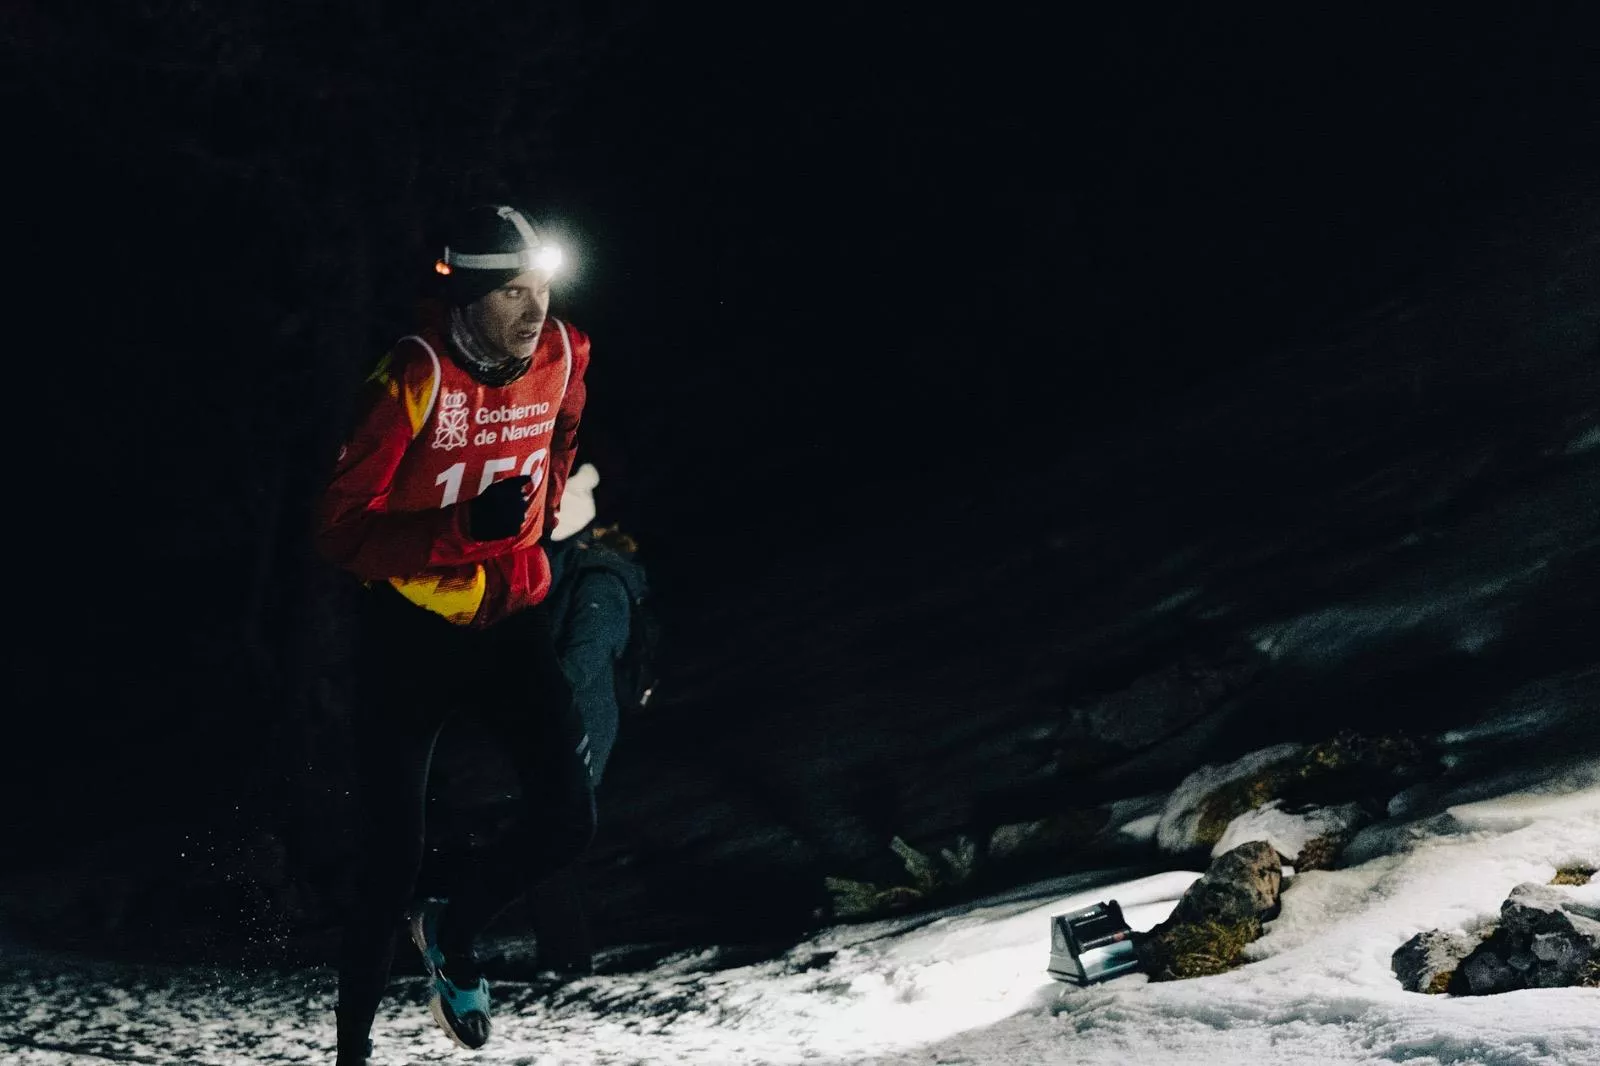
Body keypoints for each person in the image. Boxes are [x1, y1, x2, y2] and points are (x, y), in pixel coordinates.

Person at [314, 203, 594, 1065]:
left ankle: (454, 928)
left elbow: (564, 424)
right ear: (470, 297)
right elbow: (338, 531)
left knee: (567, 821)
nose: (532, 309)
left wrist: (550, 509)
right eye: (512, 291)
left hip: (510, 621)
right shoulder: (412, 375)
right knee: (392, 857)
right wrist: (464, 525)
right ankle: (352, 1049)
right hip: (411, 636)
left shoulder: (566, 352)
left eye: (541, 287)